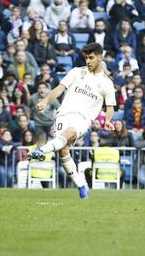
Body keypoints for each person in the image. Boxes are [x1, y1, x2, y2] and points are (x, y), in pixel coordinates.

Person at [28, 43, 116, 199]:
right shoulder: (76, 72)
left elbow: (110, 107)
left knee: (70, 133)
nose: (88, 61)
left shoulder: (107, 83)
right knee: (63, 150)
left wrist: (108, 120)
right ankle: (81, 187)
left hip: (83, 119)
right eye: (86, 58)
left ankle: (41, 151)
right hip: (63, 114)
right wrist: (45, 101)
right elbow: (60, 88)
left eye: (91, 58)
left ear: (100, 57)